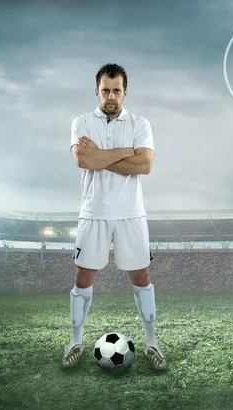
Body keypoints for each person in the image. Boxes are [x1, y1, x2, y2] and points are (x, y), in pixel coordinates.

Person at [62, 63, 166, 370]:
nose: (110, 96)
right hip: (93, 212)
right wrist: (125, 153)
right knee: (82, 279)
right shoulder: (81, 121)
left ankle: (151, 342)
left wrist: (102, 157)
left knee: (142, 278)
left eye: (116, 90)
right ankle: (75, 340)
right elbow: (83, 159)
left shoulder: (140, 123)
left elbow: (145, 164)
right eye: (105, 90)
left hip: (131, 213)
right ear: (97, 91)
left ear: (125, 92)